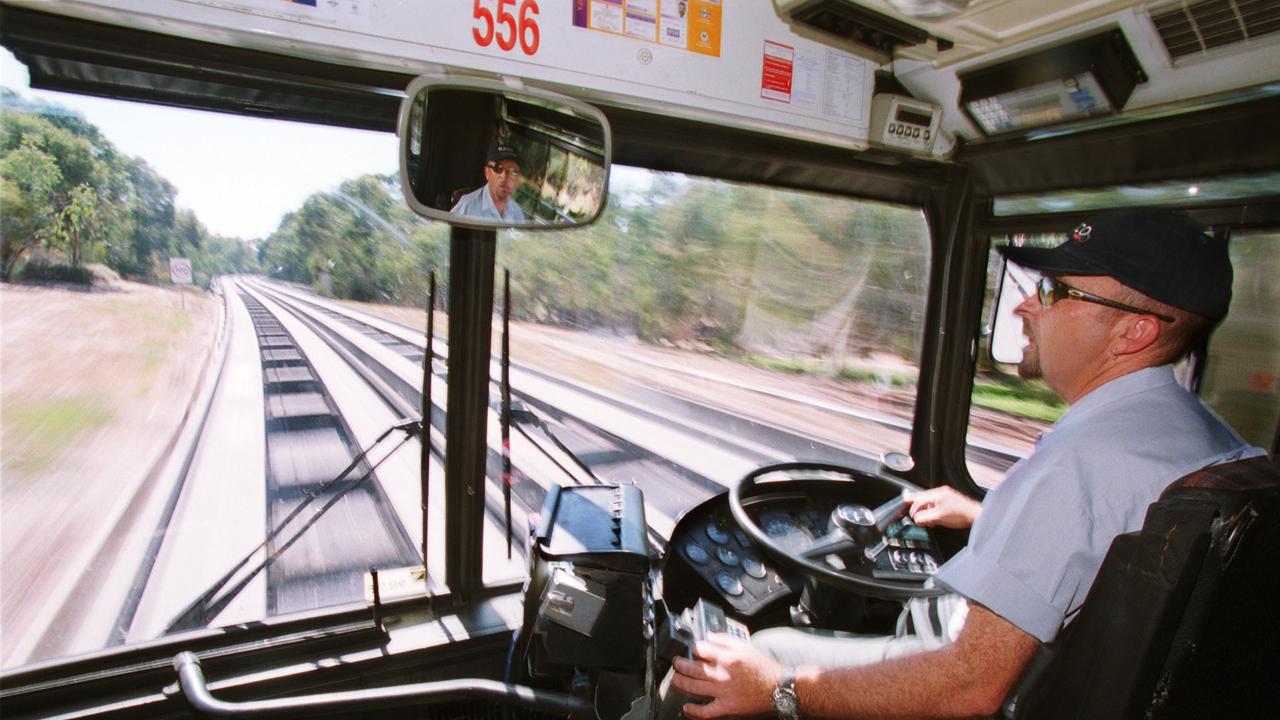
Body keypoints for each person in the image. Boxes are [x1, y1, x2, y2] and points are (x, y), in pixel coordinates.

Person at [668, 208, 1264, 719]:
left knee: (741, 657)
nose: (1025, 308)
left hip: (968, 670)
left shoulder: (1081, 463)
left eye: (1056, 292)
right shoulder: (1202, 437)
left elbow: (971, 686)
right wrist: (987, 513)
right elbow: (1105, 550)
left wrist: (777, 691)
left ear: (1134, 331)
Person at [451, 142, 529, 222]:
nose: (504, 177)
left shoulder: (517, 213)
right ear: (487, 173)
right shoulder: (467, 207)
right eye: (498, 168)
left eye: (513, 172)